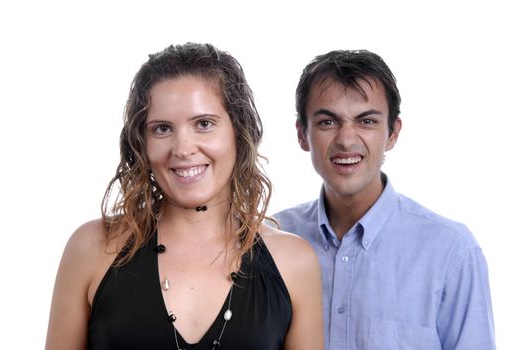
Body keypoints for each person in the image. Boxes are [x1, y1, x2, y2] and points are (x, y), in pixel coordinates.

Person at [45, 42, 323, 350]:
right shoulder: (92, 248)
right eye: (162, 129)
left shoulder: (293, 262)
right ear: (142, 142)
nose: (182, 148)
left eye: (203, 124)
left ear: (238, 131)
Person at [274, 49, 496, 350]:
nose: (346, 139)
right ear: (302, 134)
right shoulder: (271, 242)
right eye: (328, 122)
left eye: (366, 121)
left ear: (393, 133)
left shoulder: (451, 252)